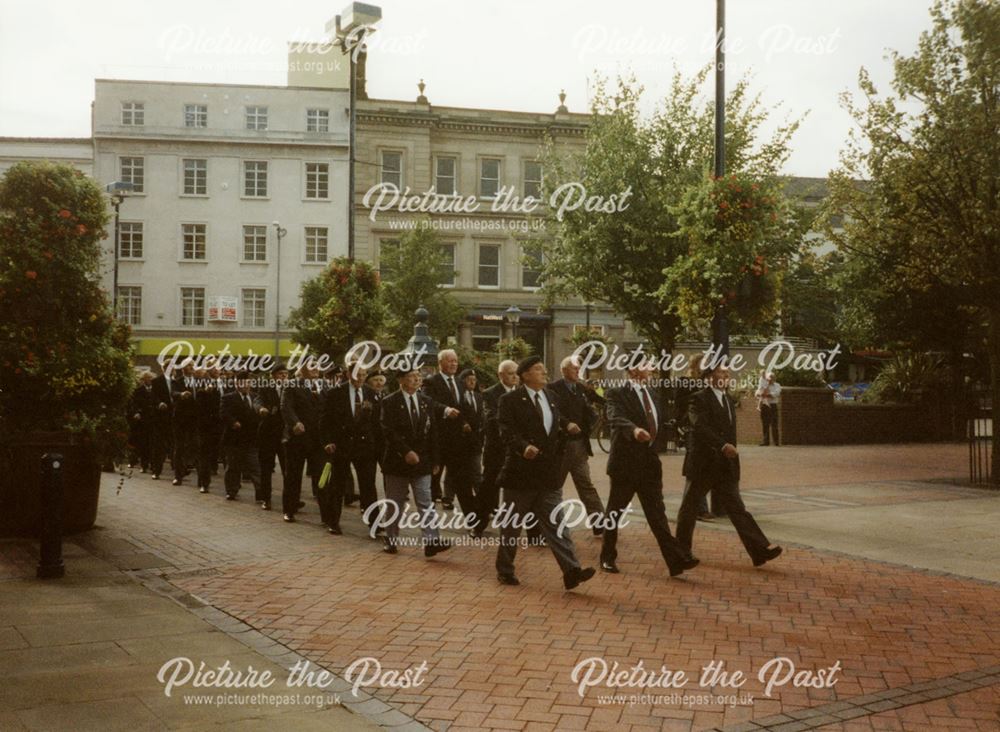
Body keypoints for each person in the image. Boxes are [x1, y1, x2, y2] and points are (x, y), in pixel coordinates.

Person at [495, 356, 595, 591]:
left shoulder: (551, 396)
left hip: (548, 472)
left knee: (557, 523)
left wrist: (566, 424)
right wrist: (523, 447)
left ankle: (572, 571)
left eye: (543, 368)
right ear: (525, 375)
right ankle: (505, 570)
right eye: (538, 369)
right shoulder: (509, 400)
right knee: (511, 525)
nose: (544, 372)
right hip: (520, 473)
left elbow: (553, 420)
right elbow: (505, 429)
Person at [676, 363, 783, 567]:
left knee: (737, 508)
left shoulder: (727, 398)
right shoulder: (698, 398)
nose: (726, 374)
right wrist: (722, 445)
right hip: (703, 463)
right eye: (721, 372)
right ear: (709, 376)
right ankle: (682, 553)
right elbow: (699, 425)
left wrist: (731, 454)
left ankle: (759, 551)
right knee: (689, 508)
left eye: (727, 372)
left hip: (725, 466)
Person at [600, 362, 699, 577]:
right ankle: (607, 556)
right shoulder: (617, 392)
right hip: (625, 464)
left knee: (657, 515)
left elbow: (660, 420)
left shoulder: (653, 393)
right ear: (633, 370)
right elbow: (614, 417)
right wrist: (634, 430)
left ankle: (675, 561)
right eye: (647, 366)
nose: (652, 369)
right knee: (615, 512)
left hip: (650, 464)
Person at [379, 366, 452, 558]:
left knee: (425, 501)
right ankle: (391, 539)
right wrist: (406, 451)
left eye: (418, 376)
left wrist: (436, 459)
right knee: (396, 502)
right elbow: (387, 431)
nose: (417, 379)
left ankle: (431, 541)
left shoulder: (426, 401)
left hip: (423, 462)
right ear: (401, 380)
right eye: (412, 377)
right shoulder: (390, 402)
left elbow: (433, 432)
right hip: (397, 461)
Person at [321, 360, 382, 536]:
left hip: (364, 446)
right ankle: (333, 522)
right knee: (338, 485)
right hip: (342, 443)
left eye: (364, 375)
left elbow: (377, 424)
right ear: (348, 375)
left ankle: (375, 523)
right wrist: (327, 441)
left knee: (368, 486)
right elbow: (325, 420)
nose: (360, 379)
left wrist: (378, 447)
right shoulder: (335, 393)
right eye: (357, 375)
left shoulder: (371, 393)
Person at [550, 356, 605, 536]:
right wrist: (566, 424)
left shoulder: (581, 388)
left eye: (578, 368)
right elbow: (553, 412)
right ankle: (554, 524)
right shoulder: (553, 389)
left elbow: (598, 400)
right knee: (555, 486)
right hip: (561, 447)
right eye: (574, 368)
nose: (578, 371)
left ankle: (600, 523)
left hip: (580, 446)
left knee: (585, 484)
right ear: (564, 370)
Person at [422, 349, 476, 518]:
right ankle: (429, 520)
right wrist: (445, 410)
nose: (454, 364)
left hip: (457, 441)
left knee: (463, 480)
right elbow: (428, 402)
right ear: (440, 363)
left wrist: (467, 422)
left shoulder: (460, 383)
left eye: (455, 361)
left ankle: (472, 518)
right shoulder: (431, 382)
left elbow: (463, 406)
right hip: (438, 440)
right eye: (450, 361)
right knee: (433, 480)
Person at [471, 360, 518, 537]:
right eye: (510, 373)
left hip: (517, 449)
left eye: (516, 373)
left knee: (524, 488)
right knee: (488, 487)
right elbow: (490, 418)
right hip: (496, 448)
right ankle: (478, 526)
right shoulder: (490, 394)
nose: (515, 376)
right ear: (501, 375)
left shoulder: (522, 393)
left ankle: (534, 531)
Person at [280, 364, 325, 522]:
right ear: (302, 369)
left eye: (317, 366)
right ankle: (289, 510)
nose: (316, 369)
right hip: (298, 438)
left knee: (322, 476)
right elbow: (286, 407)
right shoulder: (291, 385)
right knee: (293, 475)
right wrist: (295, 423)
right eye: (312, 366)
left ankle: (327, 516)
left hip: (318, 439)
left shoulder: (323, 385)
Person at [219, 372, 261, 501]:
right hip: (234, 439)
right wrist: (233, 422)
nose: (244, 385)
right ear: (236, 384)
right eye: (241, 382)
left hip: (251, 439)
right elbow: (223, 413)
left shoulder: (255, 397)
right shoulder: (228, 397)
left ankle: (261, 493)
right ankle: (231, 490)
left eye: (247, 382)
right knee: (233, 466)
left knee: (255, 467)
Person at [254, 363, 288, 511]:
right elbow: (258, 400)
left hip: (285, 435)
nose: (284, 377)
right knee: (266, 468)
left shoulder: (291, 389)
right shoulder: (266, 388)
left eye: (286, 374)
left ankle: (291, 498)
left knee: (288, 469)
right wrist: (261, 409)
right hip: (268, 434)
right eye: (281, 374)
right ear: (273, 376)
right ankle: (265, 498)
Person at [170, 361, 199, 486]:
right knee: (180, 447)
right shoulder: (177, 381)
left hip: (195, 419)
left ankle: (188, 467)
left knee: (195, 445)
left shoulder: (199, 381)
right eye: (188, 366)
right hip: (181, 419)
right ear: (182, 369)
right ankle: (178, 476)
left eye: (192, 366)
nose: (191, 368)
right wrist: (181, 394)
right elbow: (173, 393)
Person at [194, 368, 222, 494]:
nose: (218, 371)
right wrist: (206, 392)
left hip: (222, 425)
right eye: (215, 369)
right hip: (207, 425)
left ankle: (233, 486)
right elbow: (198, 403)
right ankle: (204, 483)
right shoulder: (202, 385)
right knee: (204, 454)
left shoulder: (225, 383)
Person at [148, 363, 174, 480]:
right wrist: (159, 403)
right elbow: (153, 397)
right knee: (159, 445)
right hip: (161, 417)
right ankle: (156, 470)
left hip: (174, 417)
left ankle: (180, 471)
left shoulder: (177, 381)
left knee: (175, 444)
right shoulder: (157, 381)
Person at [127, 371, 156, 472]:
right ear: (144, 380)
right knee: (142, 442)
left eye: (151, 378)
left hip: (152, 419)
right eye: (148, 378)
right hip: (142, 419)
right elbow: (134, 403)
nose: (150, 380)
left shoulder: (156, 390)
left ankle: (152, 464)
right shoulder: (138, 390)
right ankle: (143, 465)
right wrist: (136, 412)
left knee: (151, 443)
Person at [755, 371, 782, 446]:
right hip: (765, 406)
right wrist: (759, 393)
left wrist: (767, 394)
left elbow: (776, 393)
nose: (769, 379)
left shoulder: (777, 385)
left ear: (774, 378)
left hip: (773, 405)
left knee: (774, 424)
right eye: (768, 378)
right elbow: (757, 393)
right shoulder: (764, 385)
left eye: (771, 378)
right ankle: (766, 441)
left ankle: (776, 442)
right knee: (765, 424)